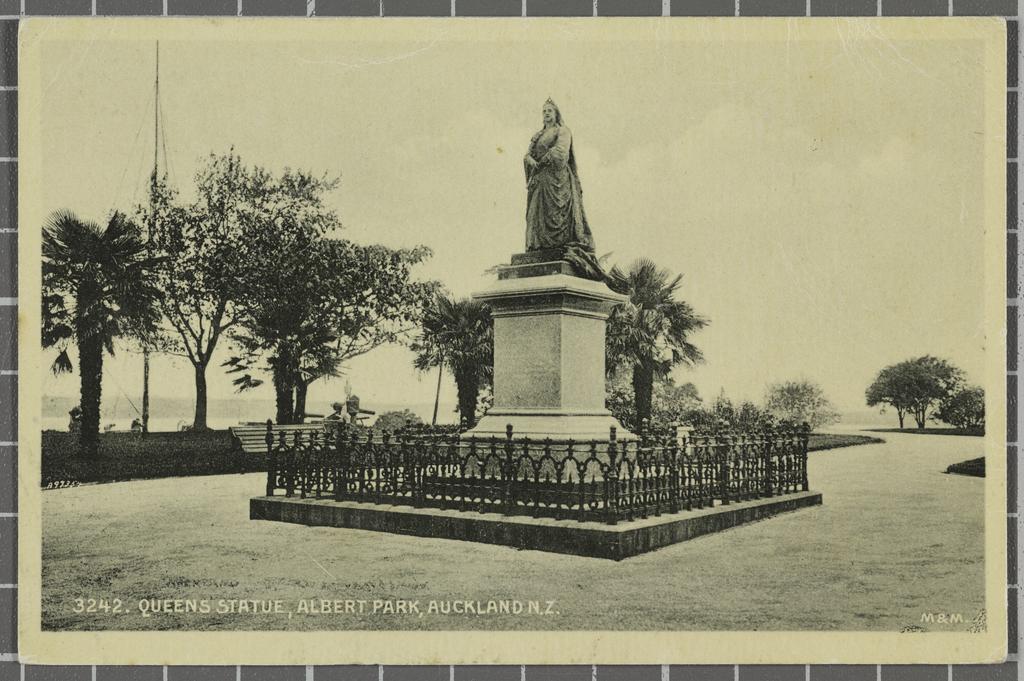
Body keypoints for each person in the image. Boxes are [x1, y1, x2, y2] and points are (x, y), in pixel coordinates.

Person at [524, 99, 594, 252]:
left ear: (556, 114)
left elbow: (561, 152)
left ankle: (559, 246)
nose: (546, 113)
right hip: (540, 181)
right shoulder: (537, 136)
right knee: (534, 215)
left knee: (557, 215)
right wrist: (528, 159)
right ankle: (537, 247)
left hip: (557, 180)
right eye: (544, 111)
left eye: (550, 111)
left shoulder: (563, 131)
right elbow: (529, 154)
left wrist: (544, 159)